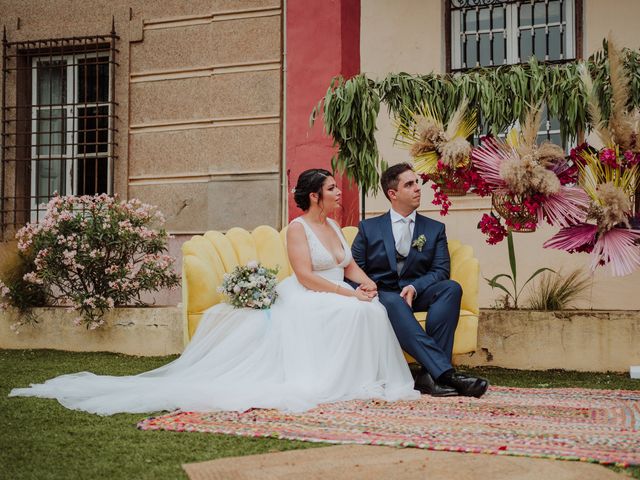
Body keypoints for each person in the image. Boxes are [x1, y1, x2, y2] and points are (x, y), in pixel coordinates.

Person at [10, 168, 419, 415]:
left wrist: (365, 283)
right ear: (314, 196)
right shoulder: (298, 229)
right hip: (310, 294)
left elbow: (348, 265)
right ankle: (331, 382)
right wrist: (349, 295)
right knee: (353, 311)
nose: (338, 194)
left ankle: (368, 380)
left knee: (371, 308)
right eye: (332, 189)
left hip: (337, 289)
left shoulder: (332, 227)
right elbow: (307, 276)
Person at [352, 163, 489, 398]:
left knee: (451, 288)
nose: (418, 188)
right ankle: (445, 375)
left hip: (418, 294)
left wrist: (415, 287)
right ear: (392, 194)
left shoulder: (434, 229)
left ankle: (428, 374)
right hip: (382, 295)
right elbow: (354, 269)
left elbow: (441, 270)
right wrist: (368, 290)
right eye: (409, 184)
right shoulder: (369, 228)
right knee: (393, 302)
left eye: (417, 182)